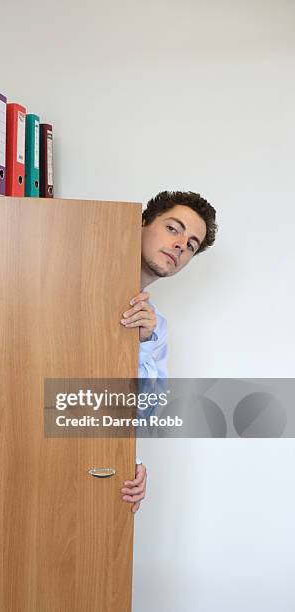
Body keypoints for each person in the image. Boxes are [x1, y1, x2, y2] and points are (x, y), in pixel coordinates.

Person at [119, 191, 218, 513]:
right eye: (173, 228)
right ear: (142, 223)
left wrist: (128, 461)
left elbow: (143, 415)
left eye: (191, 245)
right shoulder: (68, 280)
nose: (180, 245)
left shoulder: (156, 327)